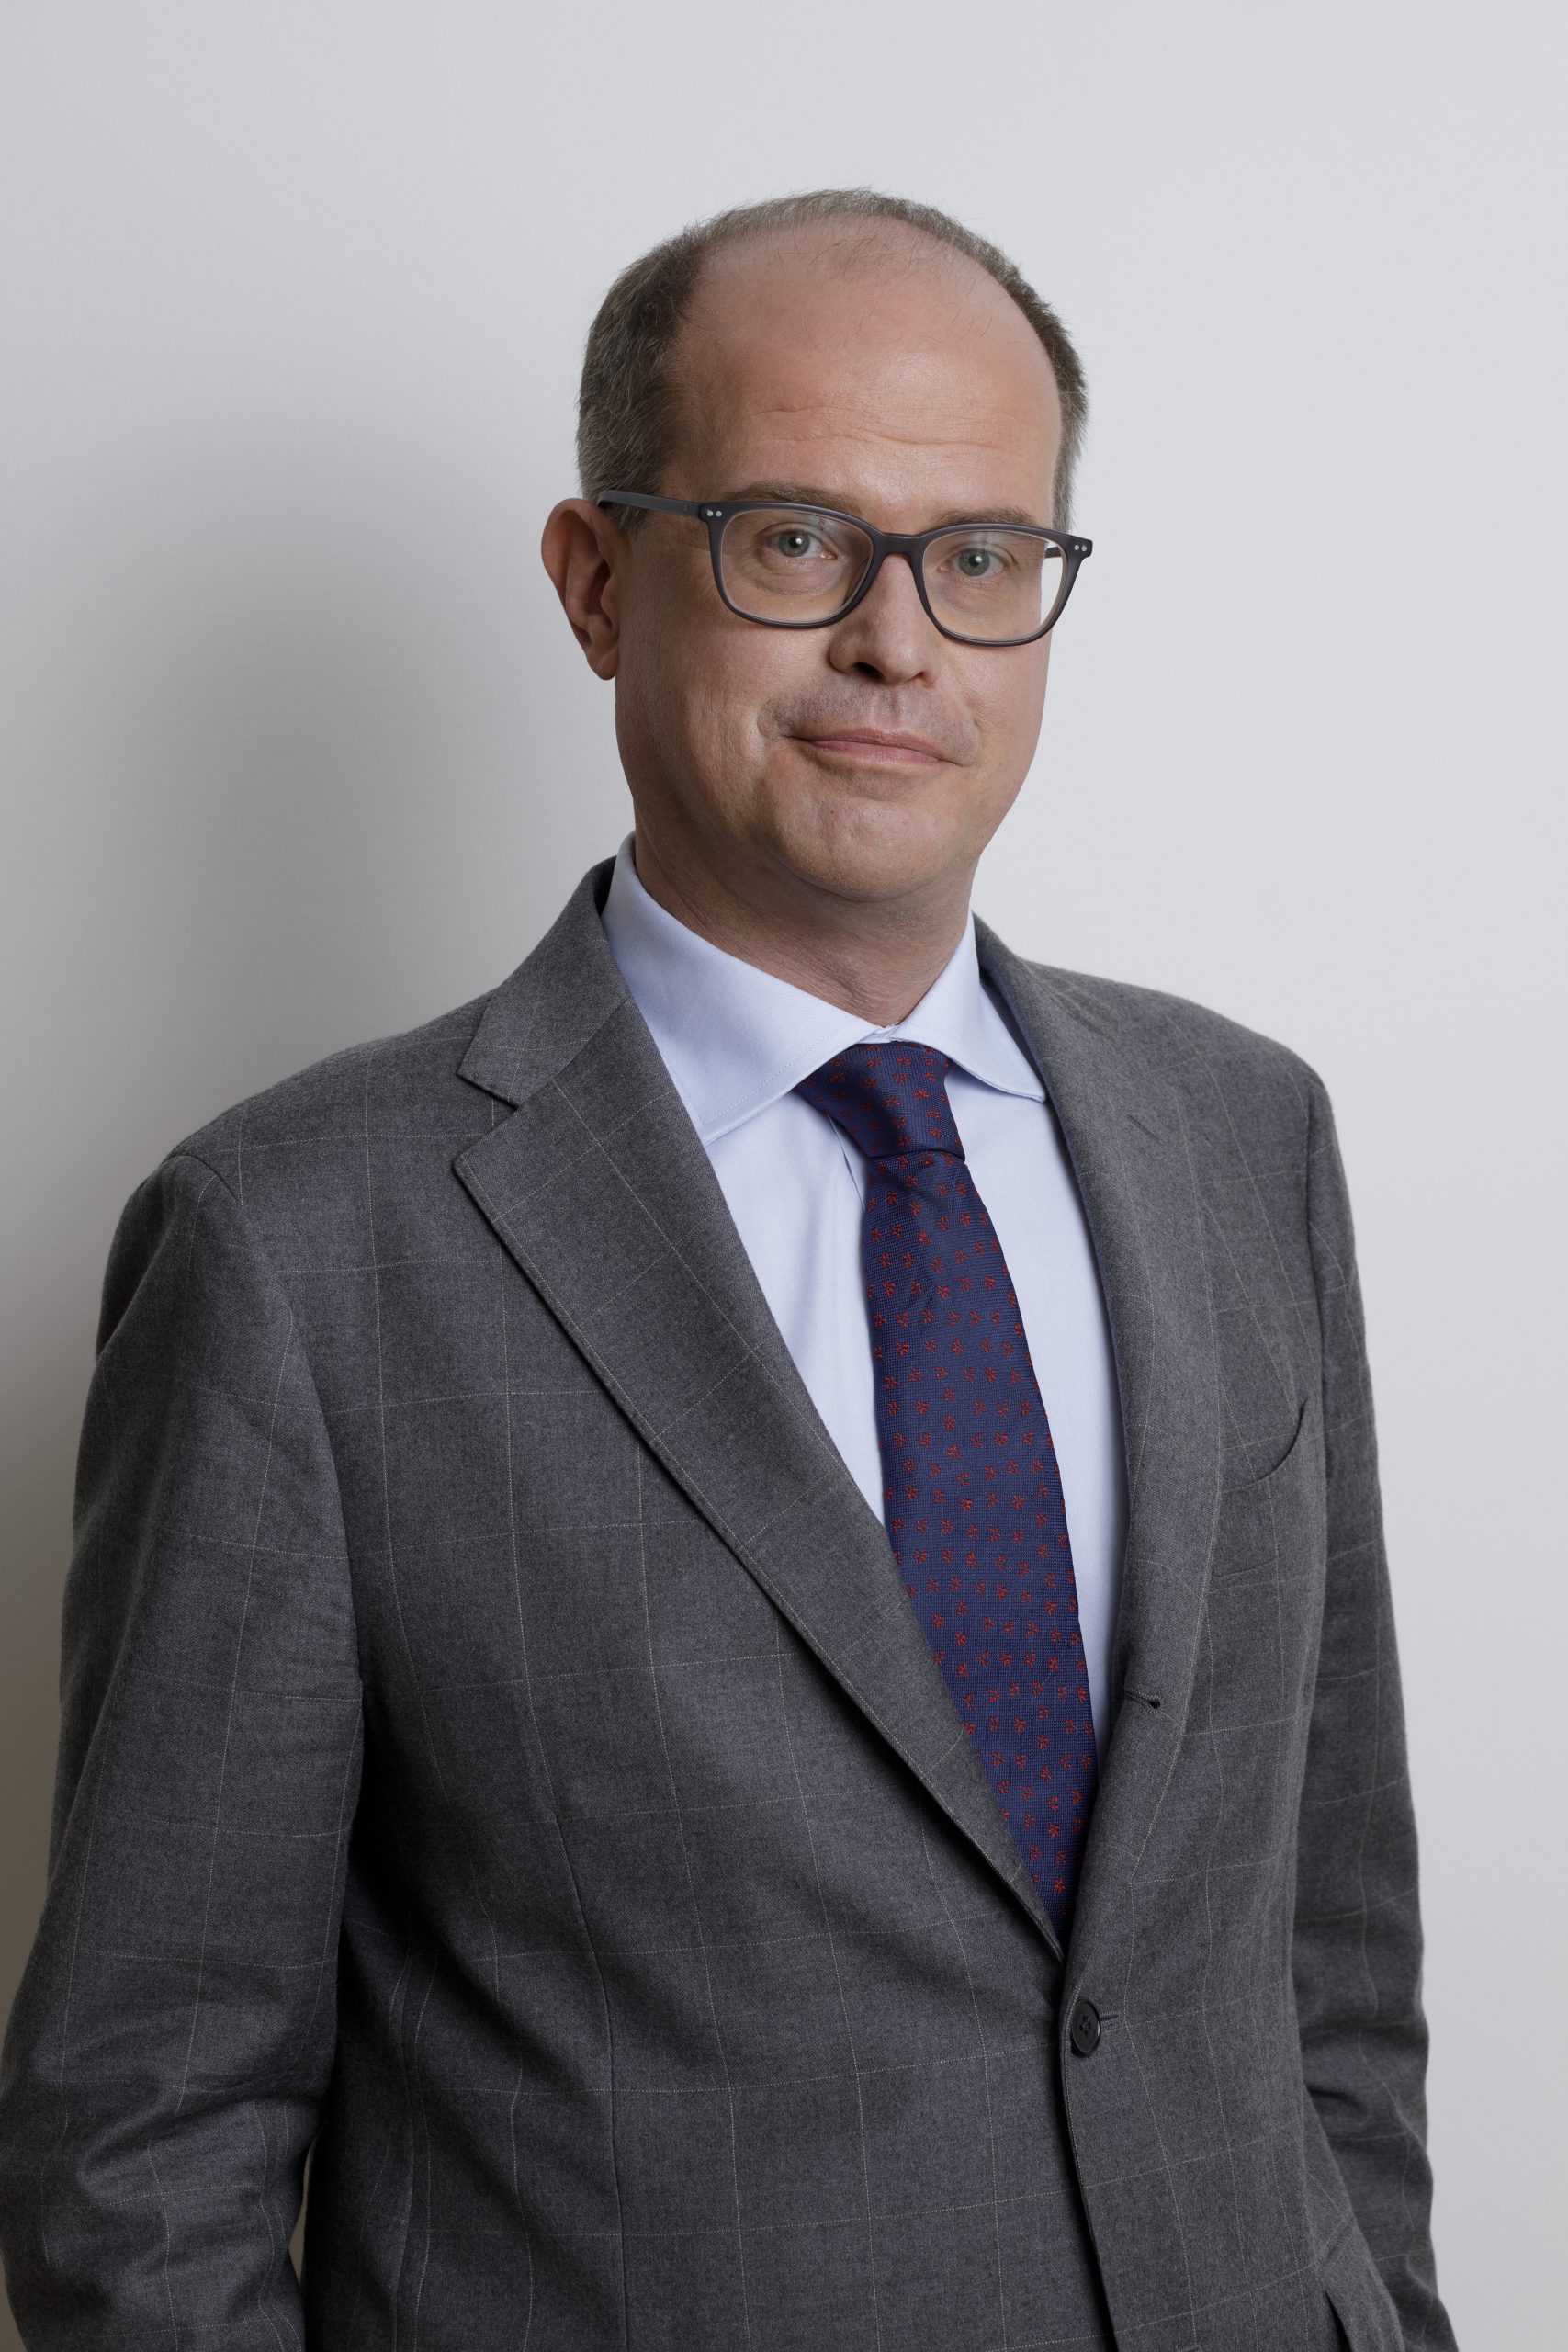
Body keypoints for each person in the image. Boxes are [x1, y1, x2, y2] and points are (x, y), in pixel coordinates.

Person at [0, 189, 1453, 2351]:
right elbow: (143, 2140)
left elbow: (1326, 1958)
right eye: (793, 538)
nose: (898, 644)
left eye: (980, 557)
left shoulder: (1239, 1138)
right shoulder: (295, 1247)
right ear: (596, 581)